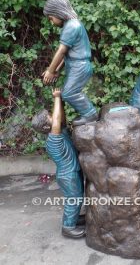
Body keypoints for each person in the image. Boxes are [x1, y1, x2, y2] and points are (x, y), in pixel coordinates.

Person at [32, 88, 85, 239]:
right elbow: (56, 121)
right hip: (68, 175)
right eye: (49, 117)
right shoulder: (53, 140)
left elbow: (60, 119)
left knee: (77, 197)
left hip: (72, 171)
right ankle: (68, 227)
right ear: (45, 127)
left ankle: (73, 218)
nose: (53, 116)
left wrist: (60, 100)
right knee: (74, 198)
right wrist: (55, 98)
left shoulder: (60, 132)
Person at [42, 0, 98, 126]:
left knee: (69, 93)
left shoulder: (72, 26)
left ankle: (90, 114)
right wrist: (56, 70)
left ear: (58, 12)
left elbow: (61, 51)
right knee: (69, 92)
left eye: (51, 18)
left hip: (80, 66)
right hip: (75, 65)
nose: (51, 22)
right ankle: (88, 114)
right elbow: (66, 54)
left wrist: (50, 71)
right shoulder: (72, 24)